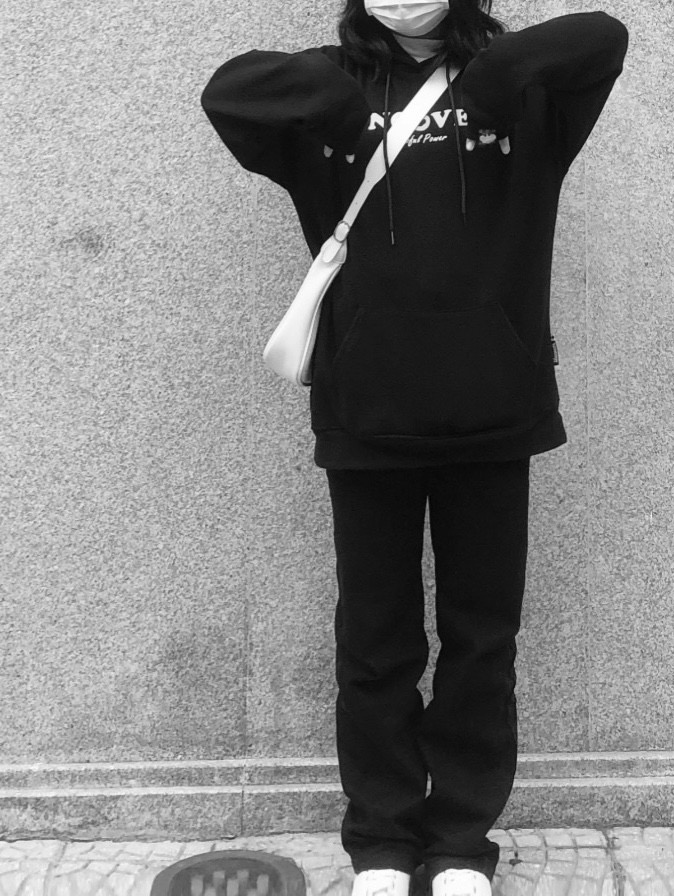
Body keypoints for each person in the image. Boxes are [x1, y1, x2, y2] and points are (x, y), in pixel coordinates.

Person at [201, 1, 628, 893]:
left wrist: (486, 72)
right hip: (366, 410)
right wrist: (342, 91)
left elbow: (603, 37)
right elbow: (229, 91)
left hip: (494, 407)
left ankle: (463, 842)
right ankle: (384, 842)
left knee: (482, 640)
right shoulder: (329, 92)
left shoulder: (525, 93)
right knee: (375, 641)